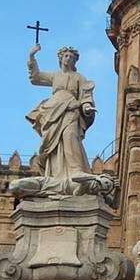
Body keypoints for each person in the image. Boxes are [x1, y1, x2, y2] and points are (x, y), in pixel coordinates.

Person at [25, 44, 96, 192]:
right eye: (66, 56)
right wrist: (32, 57)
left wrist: (86, 107)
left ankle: (75, 170)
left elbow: (86, 96)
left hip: (71, 109)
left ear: (75, 61)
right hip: (53, 110)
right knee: (52, 144)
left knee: (70, 137)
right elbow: (36, 77)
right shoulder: (55, 76)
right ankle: (56, 173)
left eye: (71, 57)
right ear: (61, 58)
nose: (68, 58)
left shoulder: (79, 78)